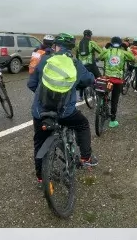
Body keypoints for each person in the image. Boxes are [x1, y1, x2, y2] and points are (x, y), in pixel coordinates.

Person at [27, 33, 98, 182]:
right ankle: (86, 157)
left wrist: (43, 93)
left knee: (39, 141)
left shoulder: (44, 60)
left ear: (54, 46)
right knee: (83, 124)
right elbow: (88, 79)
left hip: (41, 112)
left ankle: (40, 178)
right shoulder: (75, 63)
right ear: (71, 48)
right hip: (65, 113)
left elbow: (31, 84)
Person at [96, 36, 135, 128]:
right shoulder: (123, 52)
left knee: (103, 91)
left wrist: (105, 47)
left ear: (111, 44)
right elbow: (133, 58)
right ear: (120, 44)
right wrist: (127, 48)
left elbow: (100, 57)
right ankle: (112, 121)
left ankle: (102, 101)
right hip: (117, 80)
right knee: (114, 100)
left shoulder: (107, 51)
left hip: (107, 78)